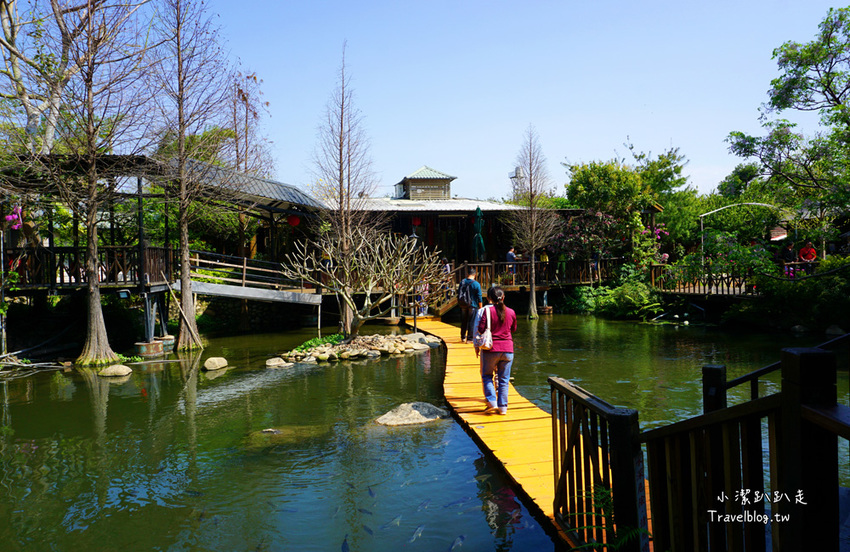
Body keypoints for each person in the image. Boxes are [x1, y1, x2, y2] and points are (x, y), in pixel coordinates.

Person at [475, 286, 517, 415]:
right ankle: (503, 408)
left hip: (491, 349)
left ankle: (492, 401)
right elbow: (513, 329)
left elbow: (481, 329)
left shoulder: (488, 312)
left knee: (487, 376)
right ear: (503, 297)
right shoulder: (511, 311)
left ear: (489, 298)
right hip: (508, 350)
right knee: (504, 380)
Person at [458, 267, 482, 343]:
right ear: (475, 275)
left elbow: (459, 292)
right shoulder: (476, 284)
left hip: (463, 304)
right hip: (473, 305)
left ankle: (463, 337)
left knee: (464, 320)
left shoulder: (462, 282)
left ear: (467, 274)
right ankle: (469, 339)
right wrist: (481, 307)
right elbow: (479, 296)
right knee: (472, 321)